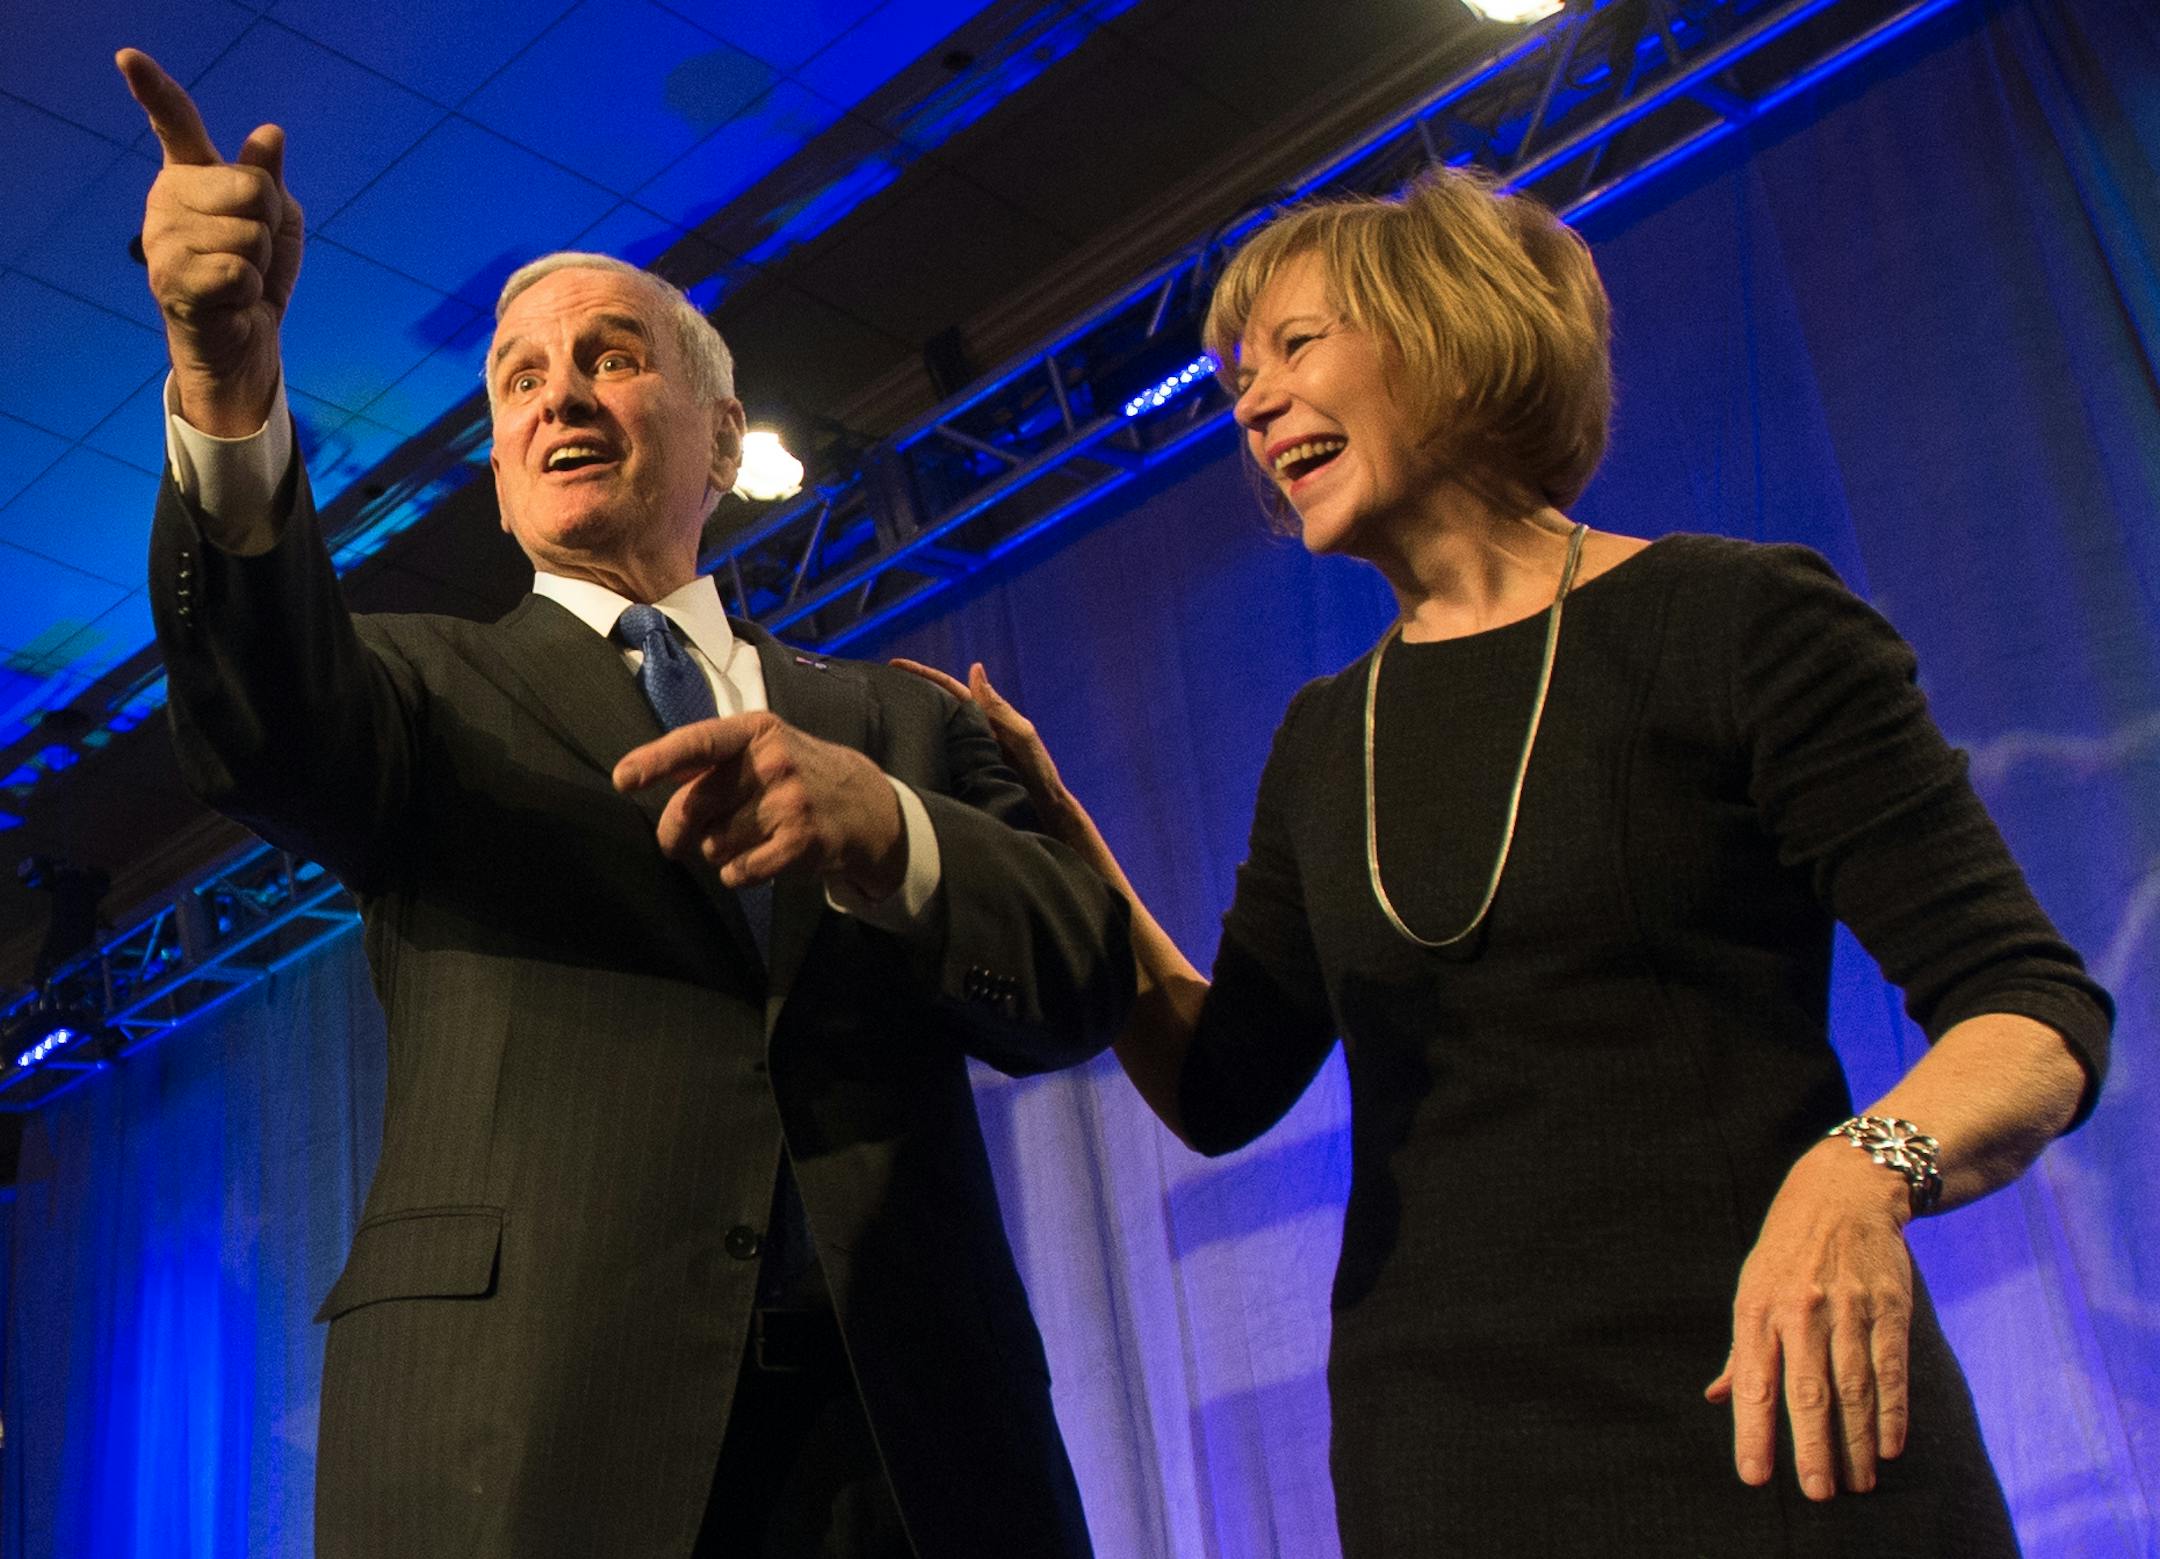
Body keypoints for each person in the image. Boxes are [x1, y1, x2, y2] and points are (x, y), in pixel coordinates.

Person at [897, 168, 2111, 1555]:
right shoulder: (1324, 737)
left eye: (1298, 345)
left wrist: (1859, 1173)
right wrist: (1059, 841)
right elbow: (1220, 1084)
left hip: (1774, 1416)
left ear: (1452, 335)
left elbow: (2029, 1014)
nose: (1253, 402)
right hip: (1449, 1461)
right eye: (1240, 375)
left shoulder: (1734, 621)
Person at [118, 49, 1133, 1559]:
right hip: (526, 1450)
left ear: (724, 440)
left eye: (612, 354)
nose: (561, 394)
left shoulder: (898, 722)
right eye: (521, 375)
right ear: (504, 461)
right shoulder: (414, 690)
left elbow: (1084, 972)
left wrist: (886, 832)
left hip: (908, 1457)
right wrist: (221, 380)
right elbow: (260, 713)